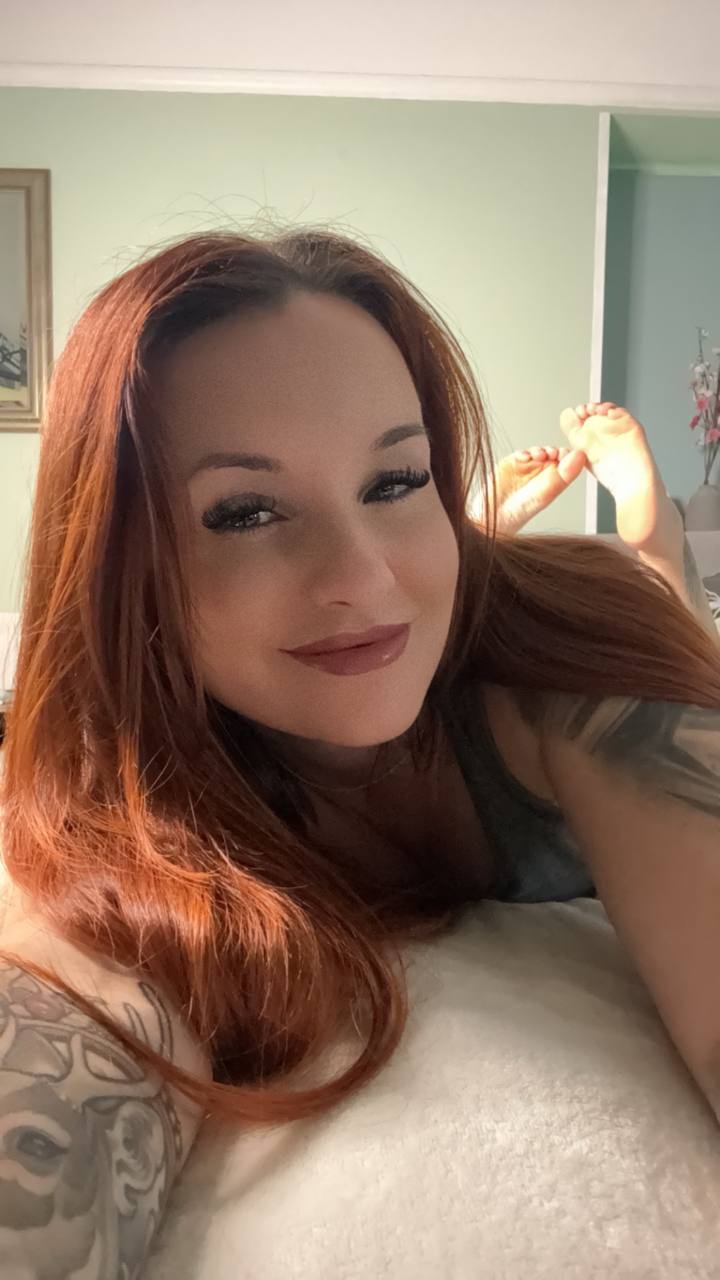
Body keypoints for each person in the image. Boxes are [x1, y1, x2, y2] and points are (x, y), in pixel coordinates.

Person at [0, 227, 718, 1276]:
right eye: (245, 511)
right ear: (122, 561)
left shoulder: (579, 661)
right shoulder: (124, 785)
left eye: (395, 481)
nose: (362, 578)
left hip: (589, 606)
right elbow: (63, 1026)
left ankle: (635, 539)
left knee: (652, 591)